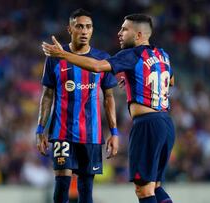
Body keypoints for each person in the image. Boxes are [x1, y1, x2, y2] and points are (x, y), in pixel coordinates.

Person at [42, 14, 175, 203]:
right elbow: (170, 80)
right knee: (156, 186)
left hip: (147, 125)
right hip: (166, 124)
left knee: (144, 190)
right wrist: (135, 79)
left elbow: (97, 67)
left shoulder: (132, 54)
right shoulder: (162, 54)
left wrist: (62, 54)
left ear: (138, 35)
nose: (119, 33)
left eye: (124, 29)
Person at [36, 8, 119, 203]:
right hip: (61, 131)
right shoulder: (55, 57)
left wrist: (114, 132)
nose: (84, 31)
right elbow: (47, 95)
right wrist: (40, 129)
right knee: (62, 183)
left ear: (92, 30)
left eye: (88, 27)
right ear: (69, 29)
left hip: (91, 133)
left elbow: (109, 97)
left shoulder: (101, 59)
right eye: (79, 26)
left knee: (86, 188)